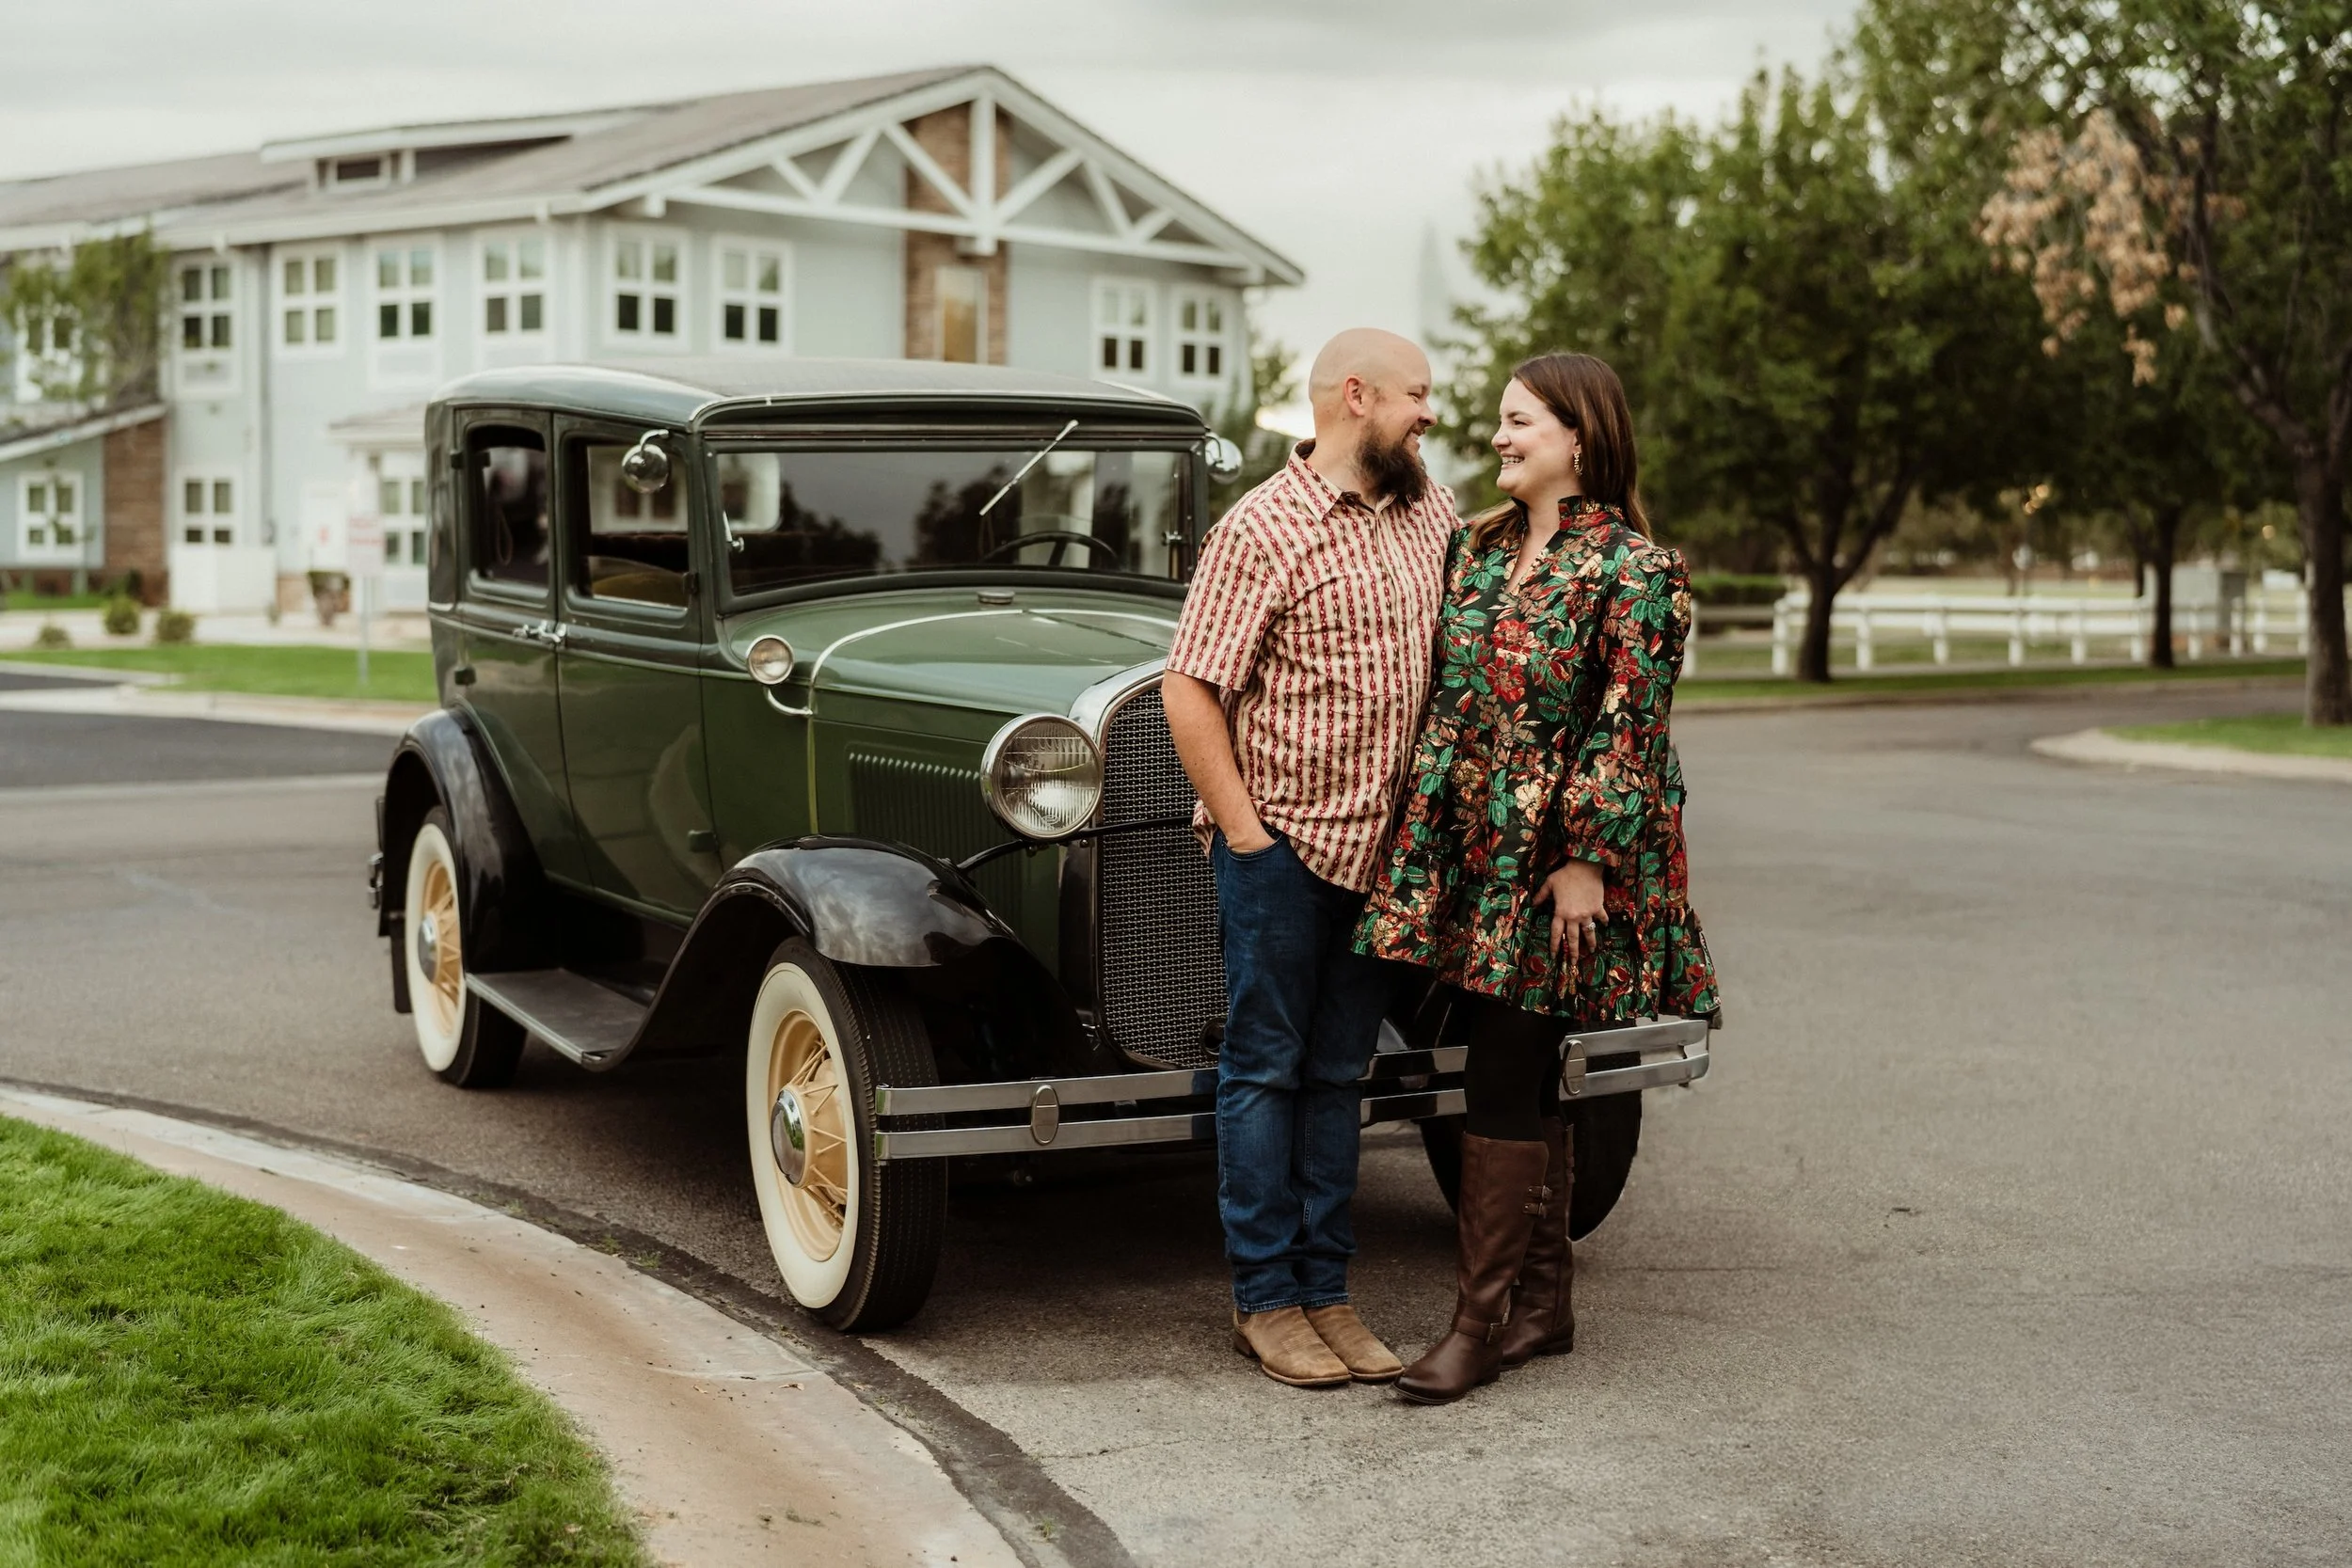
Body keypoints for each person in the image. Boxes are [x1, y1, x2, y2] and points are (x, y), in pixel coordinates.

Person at [1354, 352, 1720, 1405]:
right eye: (1499, 422)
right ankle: (1543, 1301)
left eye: (1519, 422)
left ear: (1578, 435)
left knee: (1502, 1066)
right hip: (1473, 852)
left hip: (1559, 861)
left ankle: (1475, 1323)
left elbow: (1626, 731)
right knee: (1522, 1058)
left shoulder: (1638, 570)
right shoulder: (1483, 553)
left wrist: (1582, 862)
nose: (1499, 437)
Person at [1164, 328, 1458, 1388]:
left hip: (1387, 858)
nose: (1431, 414)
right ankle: (1266, 1299)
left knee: (1342, 1073)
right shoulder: (1262, 527)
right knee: (1263, 1072)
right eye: (1417, 396)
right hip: (1283, 849)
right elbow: (1188, 687)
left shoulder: (1433, 512)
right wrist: (1245, 831)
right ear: (1355, 395)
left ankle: (1329, 1290)